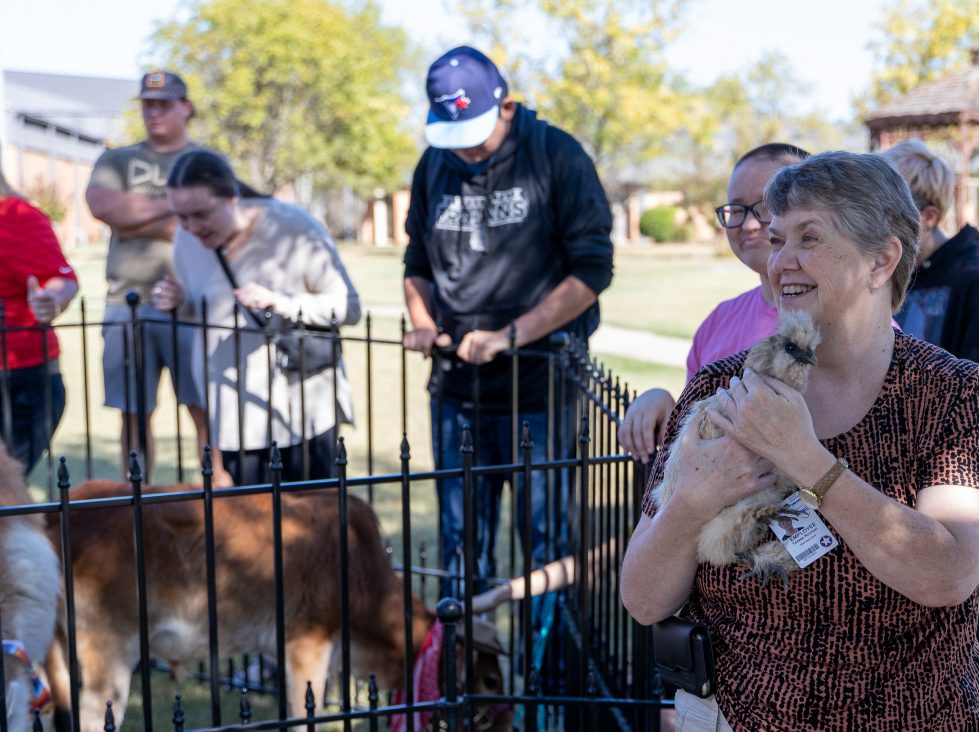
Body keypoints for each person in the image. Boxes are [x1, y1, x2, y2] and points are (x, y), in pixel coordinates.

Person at [621, 151, 979, 730]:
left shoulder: (949, 394)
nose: (781, 263)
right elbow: (643, 601)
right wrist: (694, 501)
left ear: (881, 261)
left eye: (809, 238)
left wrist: (807, 462)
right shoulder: (722, 389)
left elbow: (948, 574)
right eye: (777, 240)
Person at [402, 46, 614, 595]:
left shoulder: (556, 155)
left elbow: (592, 270)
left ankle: (546, 674)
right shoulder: (434, 164)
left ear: (506, 105)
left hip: (540, 392)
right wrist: (422, 318)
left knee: (546, 544)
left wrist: (508, 336)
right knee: (458, 542)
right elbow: (416, 263)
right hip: (454, 390)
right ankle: (467, 669)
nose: (467, 148)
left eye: (475, 130)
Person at [153, 149, 361, 485]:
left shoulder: (294, 227)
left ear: (233, 197)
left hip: (302, 412)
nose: (191, 227)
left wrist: (281, 303)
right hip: (237, 418)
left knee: (314, 528)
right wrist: (181, 302)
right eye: (181, 217)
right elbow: (208, 306)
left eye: (201, 214)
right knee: (255, 533)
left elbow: (348, 307)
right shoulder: (185, 241)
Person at [882, 138, 979, 623]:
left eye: (886, 215)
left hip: (959, 495)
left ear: (929, 217)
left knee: (965, 628)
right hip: (893, 496)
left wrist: (969, 489)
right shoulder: (889, 278)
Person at [618, 144, 810, 463]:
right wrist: (661, 401)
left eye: (764, 206)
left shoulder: (846, 329)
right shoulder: (719, 321)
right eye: (736, 209)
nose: (748, 225)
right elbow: (695, 433)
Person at [86, 70, 219, 481]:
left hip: (192, 305)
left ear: (186, 107)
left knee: (206, 411)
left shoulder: (205, 161)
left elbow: (219, 221)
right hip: (127, 305)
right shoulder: (117, 159)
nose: (154, 112)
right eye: (148, 104)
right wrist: (179, 209)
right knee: (133, 415)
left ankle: (217, 495)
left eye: (164, 103)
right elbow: (105, 207)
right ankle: (136, 500)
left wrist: (133, 217)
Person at [0, 168, 79, 476]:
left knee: (6, 490)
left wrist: (52, 299)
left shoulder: (16, 216)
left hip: (18, 381)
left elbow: (60, 280)